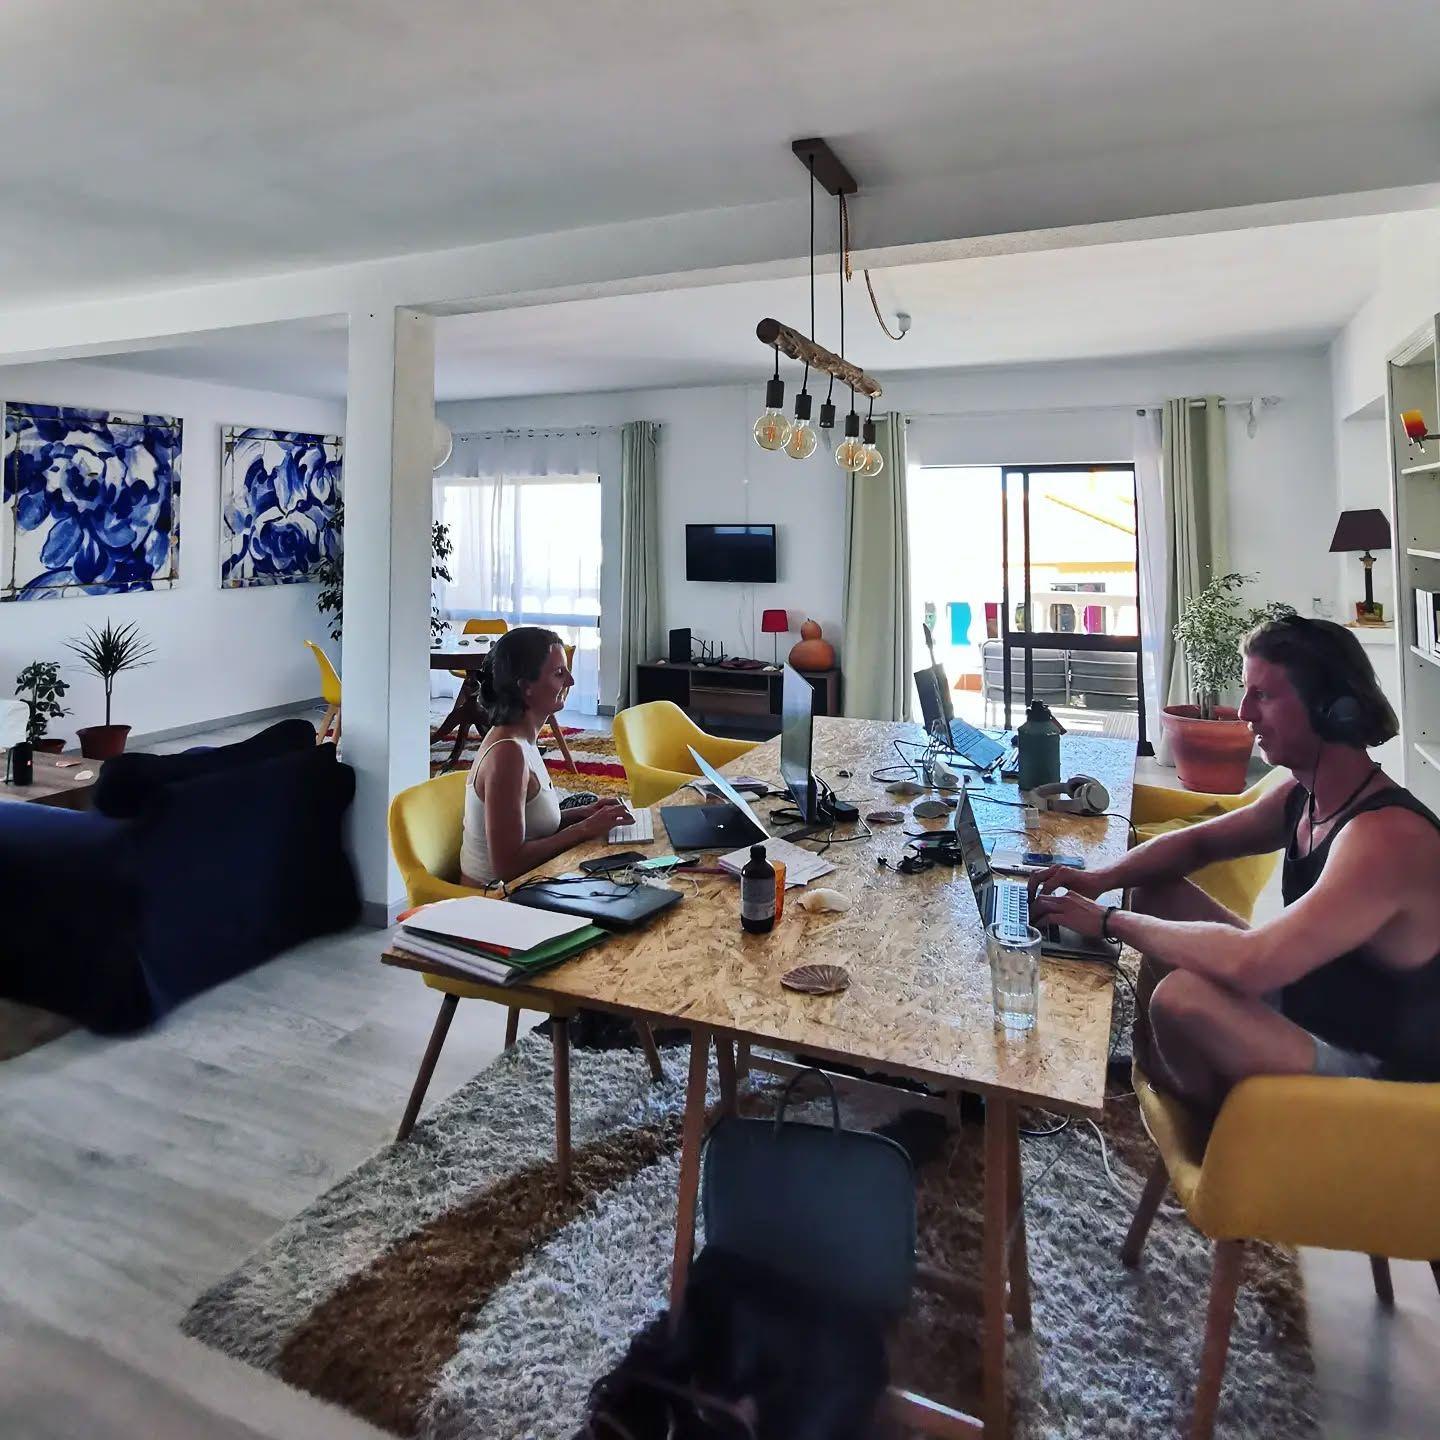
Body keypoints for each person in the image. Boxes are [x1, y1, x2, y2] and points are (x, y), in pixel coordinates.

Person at [1029, 615, 1440, 1116]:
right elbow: (1195, 845)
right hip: (1310, 1003)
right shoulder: (1304, 794)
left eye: (1263, 696)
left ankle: (1217, 1130)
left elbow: (1252, 962)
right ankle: (1178, 1066)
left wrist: (1108, 920)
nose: (1244, 712)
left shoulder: (1385, 836)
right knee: (1154, 888)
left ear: (1332, 711)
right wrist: (1100, 880)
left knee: (1180, 999)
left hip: (1377, 1074)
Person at [460, 626, 632, 887]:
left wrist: (585, 813)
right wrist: (584, 829)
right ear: (526, 687)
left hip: (520, 887)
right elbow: (507, 866)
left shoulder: (521, 740)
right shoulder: (508, 755)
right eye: (559, 673)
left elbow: (529, 824)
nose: (570, 682)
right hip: (493, 901)